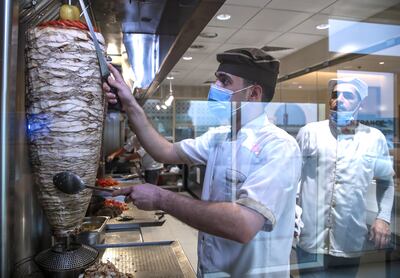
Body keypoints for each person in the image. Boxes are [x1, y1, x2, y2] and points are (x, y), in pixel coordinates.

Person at [103, 48, 301, 277]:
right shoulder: (219, 137)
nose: (215, 86)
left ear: (253, 94)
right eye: (217, 78)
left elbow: (243, 224)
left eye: (224, 81)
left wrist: (160, 197)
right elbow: (164, 151)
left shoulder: (278, 147)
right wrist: (129, 104)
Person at [296, 77, 394, 277]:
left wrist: (383, 218)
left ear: (361, 103)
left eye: (347, 96)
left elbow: (386, 180)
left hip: (348, 239)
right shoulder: (310, 133)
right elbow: (290, 179)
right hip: (311, 240)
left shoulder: (374, 138)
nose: (338, 100)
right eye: (335, 95)